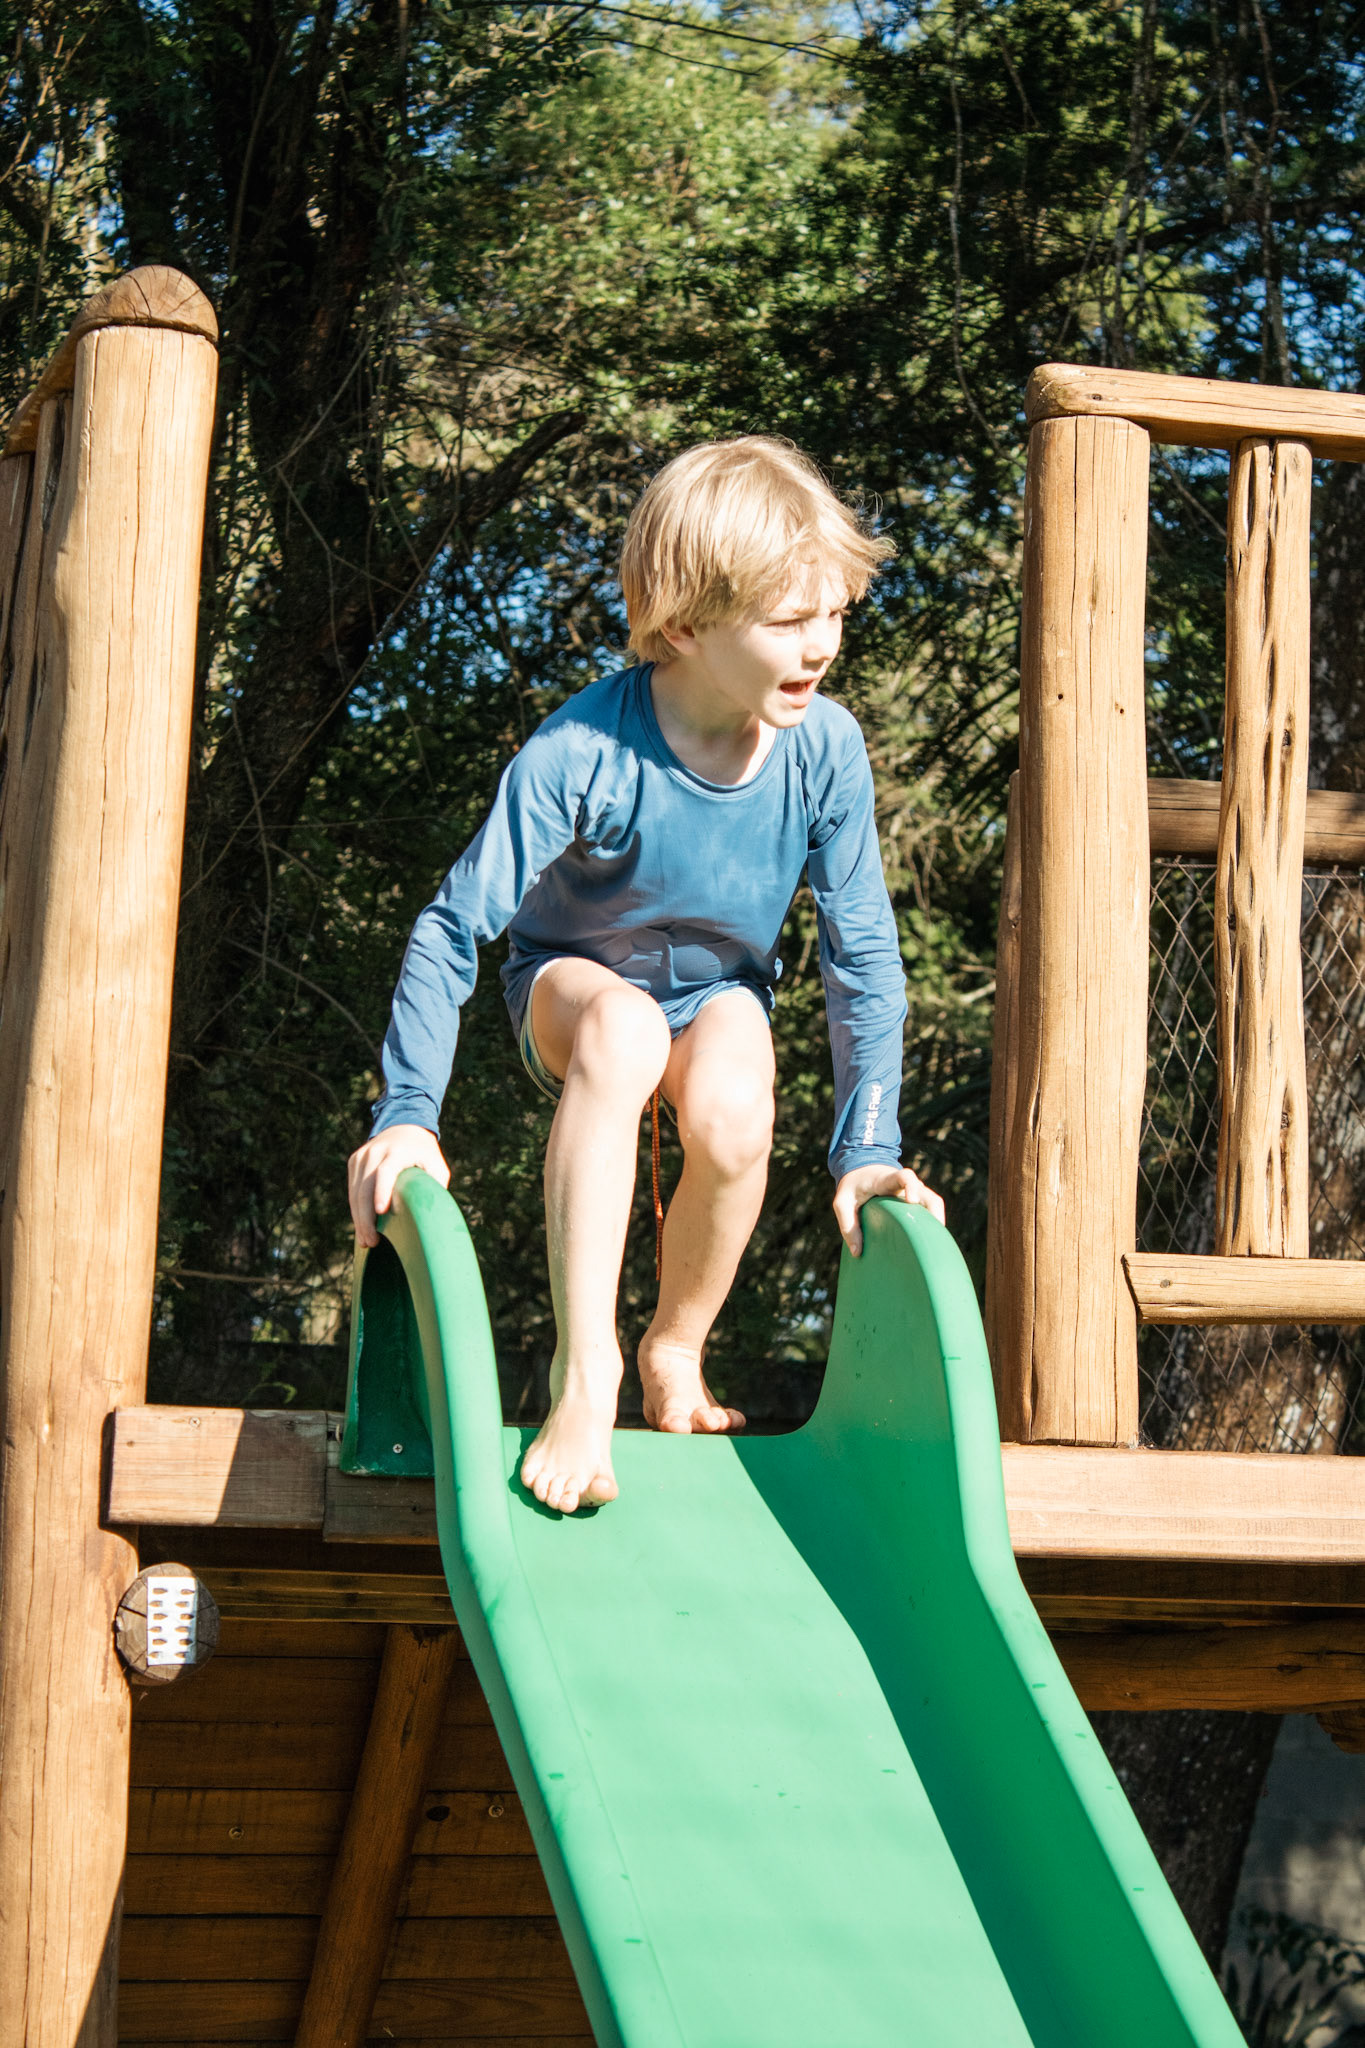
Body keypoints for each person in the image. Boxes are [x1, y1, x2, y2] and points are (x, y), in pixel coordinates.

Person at [348, 436, 944, 1515]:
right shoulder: (583, 751)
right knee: (623, 1030)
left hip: (717, 993)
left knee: (734, 1106)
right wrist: (407, 1115)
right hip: (572, 986)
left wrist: (869, 1147)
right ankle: (587, 1373)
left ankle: (676, 1344)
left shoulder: (823, 751)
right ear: (682, 627)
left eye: (834, 613)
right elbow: (452, 926)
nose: (821, 644)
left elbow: (861, 955)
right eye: (787, 621)